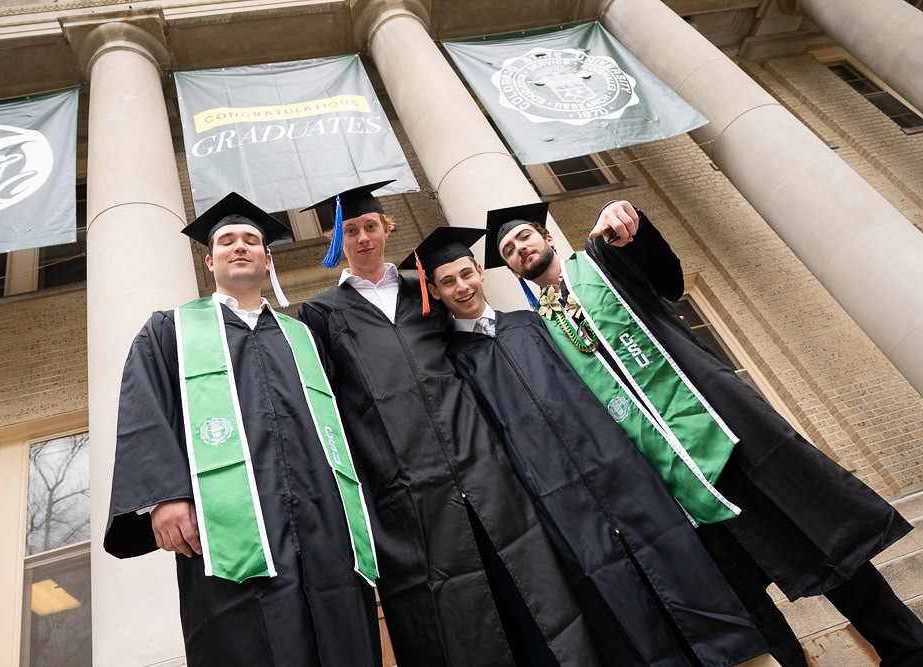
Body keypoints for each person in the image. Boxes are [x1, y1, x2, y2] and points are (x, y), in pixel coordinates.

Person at [488, 199, 923, 667]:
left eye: (524, 237)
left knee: (826, 548)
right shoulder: (542, 331)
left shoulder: (601, 262)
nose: (519, 249)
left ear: (548, 237)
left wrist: (625, 219)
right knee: (744, 604)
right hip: (675, 482)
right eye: (509, 250)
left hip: (728, 439)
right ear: (512, 269)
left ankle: (908, 651)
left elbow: (667, 279)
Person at [414, 225, 775, 667]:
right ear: (435, 290)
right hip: (553, 496)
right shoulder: (451, 365)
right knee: (616, 599)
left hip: (617, 465)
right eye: (448, 281)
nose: (462, 287)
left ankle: (742, 657)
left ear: (480, 272)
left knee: (681, 563)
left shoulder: (535, 323)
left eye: (466, 274)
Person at [297, 182, 598, 667]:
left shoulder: (424, 290)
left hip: (478, 461)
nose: (363, 238)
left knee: (526, 584)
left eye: (371, 226)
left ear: (386, 229)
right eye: (350, 231)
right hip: (406, 484)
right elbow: (328, 402)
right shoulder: (321, 312)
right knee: (459, 610)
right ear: (338, 240)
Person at [103, 192, 382, 666]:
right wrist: (166, 496)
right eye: (227, 241)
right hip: (226, 534)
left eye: (251, 240)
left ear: (267, 259)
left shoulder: (304, 336)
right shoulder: (170, 331)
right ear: (209, 261)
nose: (240, 247)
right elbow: (144, 412)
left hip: (324, 527)